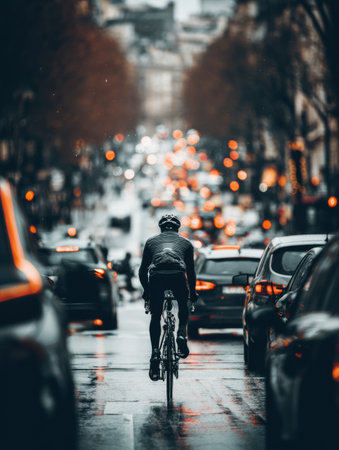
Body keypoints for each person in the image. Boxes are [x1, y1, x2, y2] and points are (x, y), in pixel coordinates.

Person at [138, 214, 198, 381]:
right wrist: (192, 293)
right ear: (178, 229)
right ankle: (181, 333)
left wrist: (146, 291)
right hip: (178, 276)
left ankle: (155, 354)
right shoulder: (186, 243)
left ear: (161, 228)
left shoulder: (151, 242)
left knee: (156, 315)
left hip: (157, 277)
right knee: (183, 305)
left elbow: (142, 271)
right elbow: (191, 272)